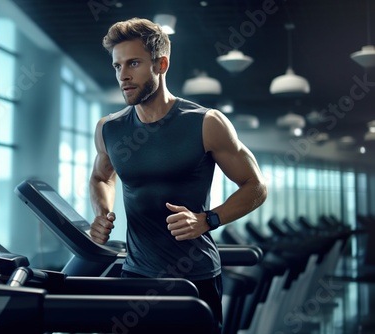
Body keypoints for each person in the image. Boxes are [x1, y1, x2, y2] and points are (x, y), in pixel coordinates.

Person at [89, 17, 267, 332]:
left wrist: (208, 220)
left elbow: (255, 187)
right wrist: (102, 212)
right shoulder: (110, 128)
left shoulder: (206, 123)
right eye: (117, 66)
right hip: (135, 276)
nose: (123, 75)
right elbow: (102, 177)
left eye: (133, 63)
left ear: (161, 64)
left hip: (194, 277)